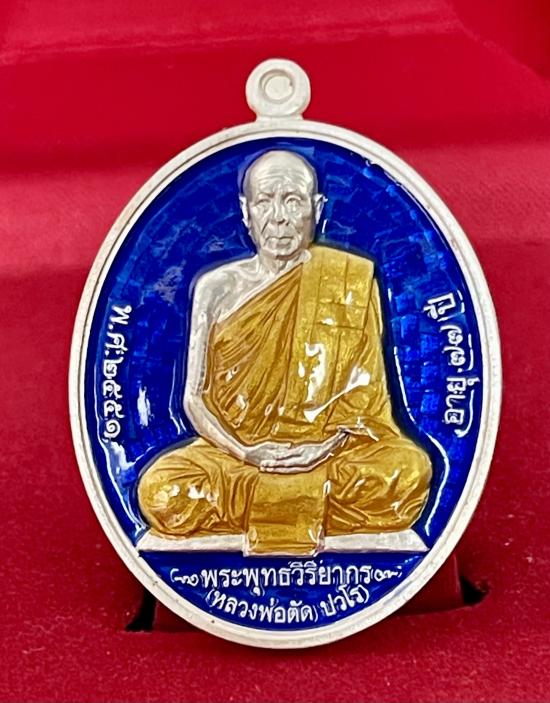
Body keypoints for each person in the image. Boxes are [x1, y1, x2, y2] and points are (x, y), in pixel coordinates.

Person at [138, 150, 432, 555]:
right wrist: (247, 453)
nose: (279, 218)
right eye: (265, 201)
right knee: (162, 490)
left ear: (317, 209)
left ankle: (273, 504)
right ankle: (298, 504)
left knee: (408, 471)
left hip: (328, 452)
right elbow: (193, 398)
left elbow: (364, 402)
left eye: (293, 201)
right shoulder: (216, 287)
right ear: (246, 212)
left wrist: (324, 448)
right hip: (235, 455)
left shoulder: (348, 279)